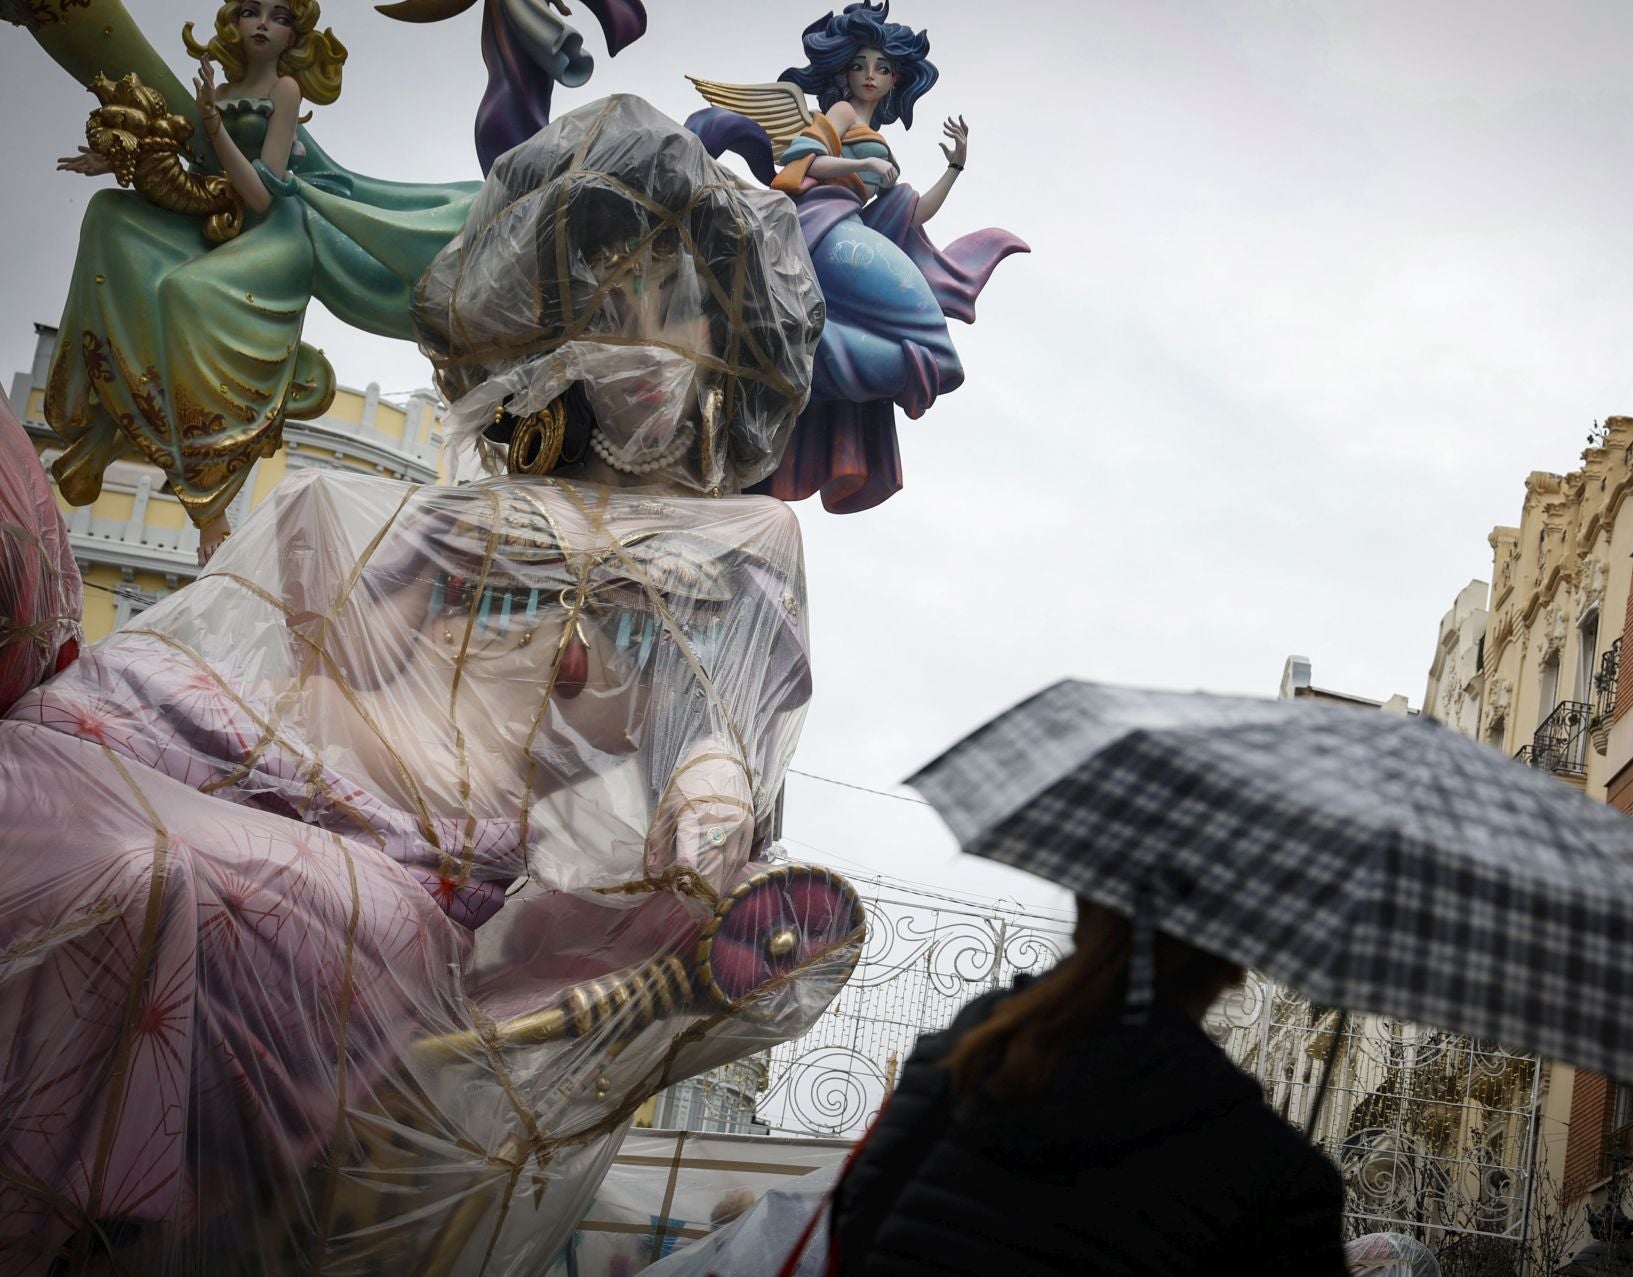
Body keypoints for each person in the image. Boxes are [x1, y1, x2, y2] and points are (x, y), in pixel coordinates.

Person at [0, 95, 835, 1276]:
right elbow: (350, 646)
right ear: (549, 323)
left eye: (678, 301)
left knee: (168, 881)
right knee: (45, 799)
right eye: (610, 299)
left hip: (444, 869)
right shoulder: (463, 511)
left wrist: (705, 789)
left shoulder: (739, 538)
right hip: (295, 767)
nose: (645, 335)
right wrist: (314, 578)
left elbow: (719, 710)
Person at [37, 0, 479, 563]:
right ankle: (108, 412)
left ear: (295, 34)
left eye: (279, 15)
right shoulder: (215, 97)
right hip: (220, 223)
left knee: (185, 294)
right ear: (232, 24)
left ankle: (210, 502)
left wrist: (216, 131)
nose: (263, 23)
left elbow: (265, 191)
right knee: (108, 215)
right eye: (250, 11)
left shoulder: (284, 92)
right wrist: (125, 159)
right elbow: (194, 176)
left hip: (276, 234)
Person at [830, 898, 1351, 1275]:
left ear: (1085, 915)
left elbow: (855, 1226)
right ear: (1236, 965)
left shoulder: (971, 1048)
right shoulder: (1278, 1174)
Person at [688, 1, 1027, 513]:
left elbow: (913, 217)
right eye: (861, 64)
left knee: (940, 359)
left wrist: (955, 169)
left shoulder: (878, 135)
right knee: (939, 359)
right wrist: (862, 160)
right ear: (844, 70)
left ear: (897, 80)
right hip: (824, 231)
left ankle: (799, 348)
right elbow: (797, 168)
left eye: (883, 68)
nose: (870, 75)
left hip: (852, 231)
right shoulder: (840, 115)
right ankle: (797, 350)